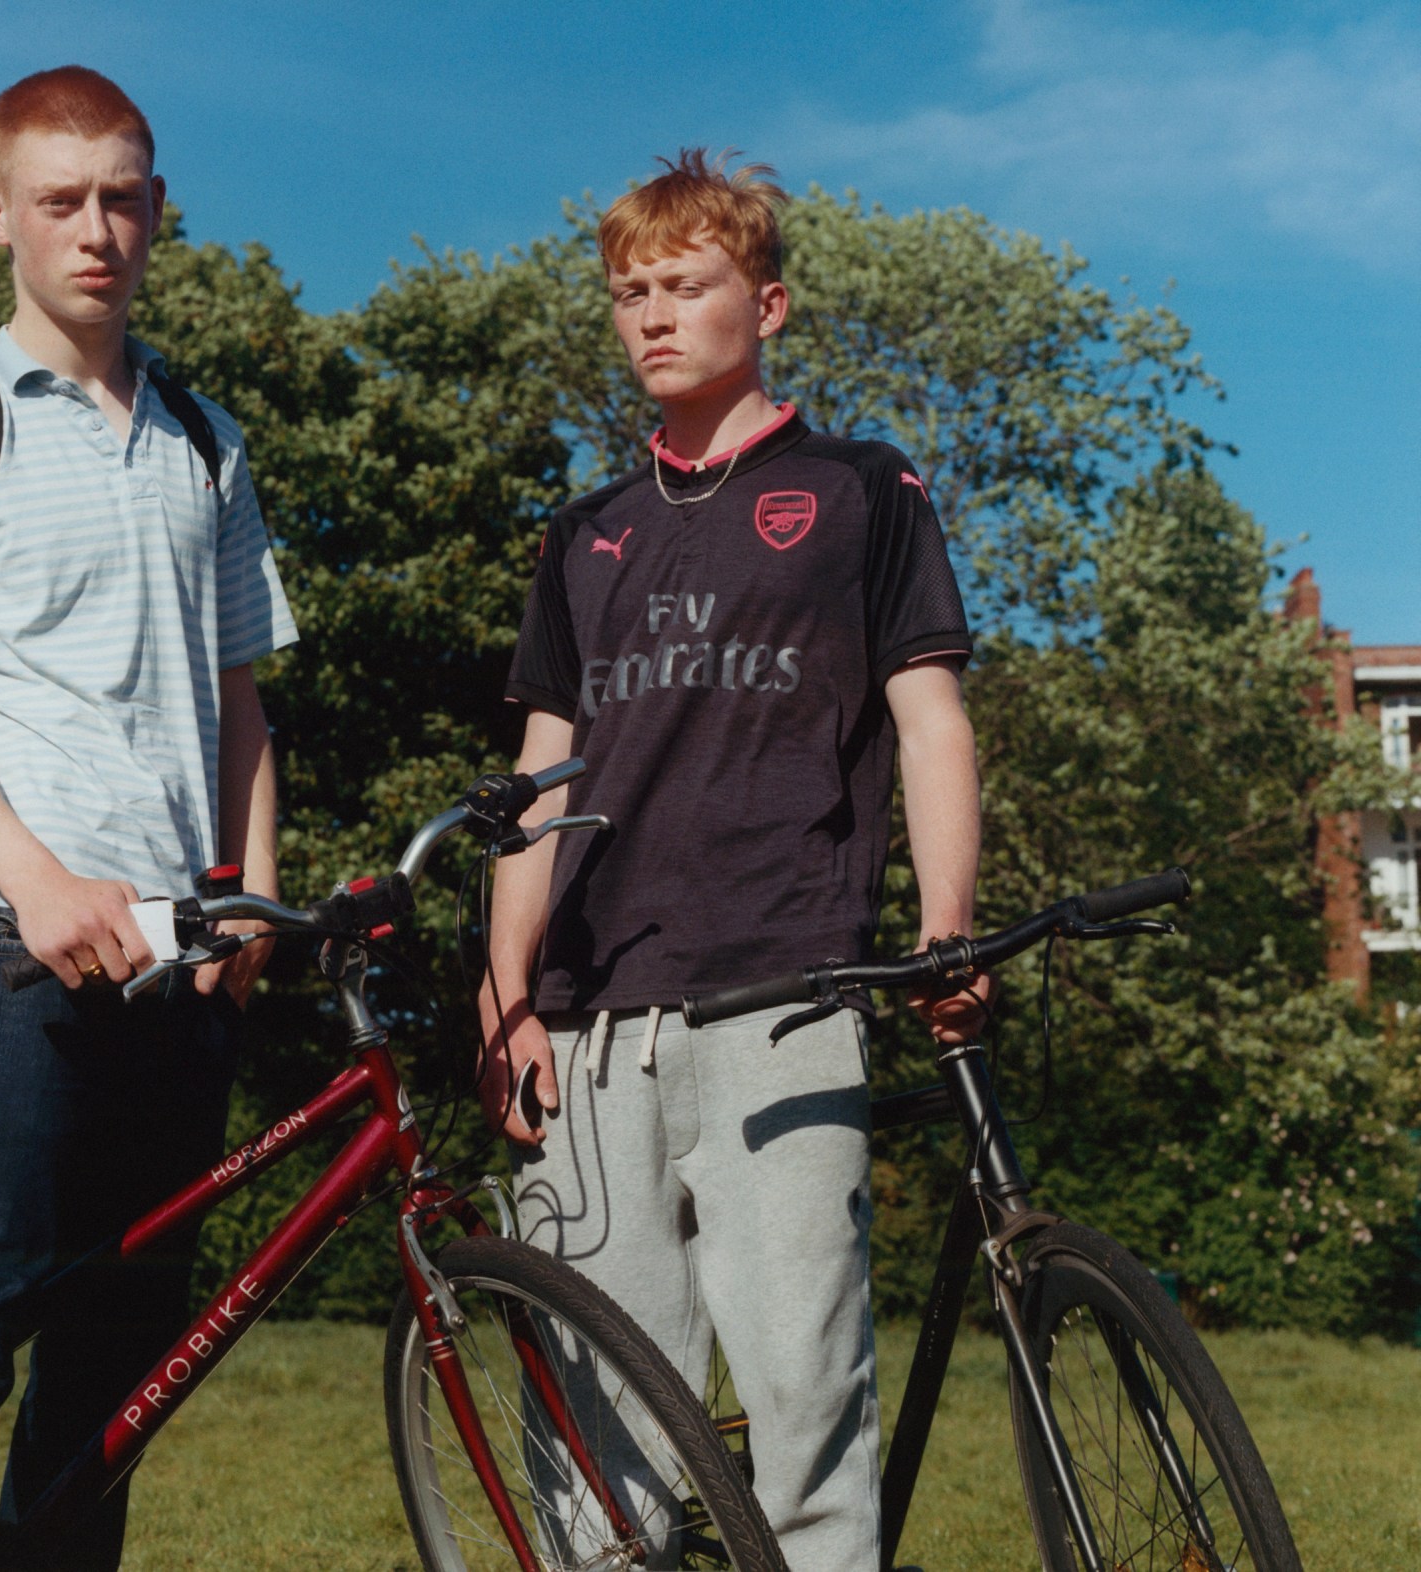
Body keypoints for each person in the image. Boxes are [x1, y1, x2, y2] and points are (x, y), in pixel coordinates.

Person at [482, 150, 989, 1572]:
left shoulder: (862, 490)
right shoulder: (585, 535)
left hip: (784, 991)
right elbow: (542, 767)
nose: (653, 316)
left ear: (765, 303)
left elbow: (928, 717)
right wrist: (505, 984)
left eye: (686, 286)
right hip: (585, 1021)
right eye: (630, 292)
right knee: (593, 1429)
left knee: (803, 1394)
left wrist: (946, 928)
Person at [0, 66, 296, 1572]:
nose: (97, 229)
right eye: (60, 200)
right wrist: (32, 883)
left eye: (123, 197)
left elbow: (239, 708)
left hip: (178, 958)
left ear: (158, 211)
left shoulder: (204, 443)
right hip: (7, 952)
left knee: (111, 1380)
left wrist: (250, 894)